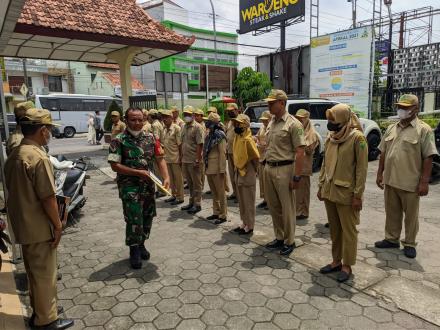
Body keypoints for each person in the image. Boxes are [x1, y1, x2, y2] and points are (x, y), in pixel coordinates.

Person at [5, 108, 74, 329]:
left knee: (35, 272)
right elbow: (48, 198)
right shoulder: (37, 157)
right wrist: (57, 225)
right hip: (38, 225)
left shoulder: (16, 153)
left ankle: (42, 312)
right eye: (50, 130)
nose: (50, 134)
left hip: (23, 225)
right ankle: (47, 320)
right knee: (45, 275)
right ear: (43, 131)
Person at [375, 94, 438, 259]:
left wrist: (424, 182)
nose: (401, 110)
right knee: (392, 212)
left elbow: (428, 157)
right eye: (400, 107)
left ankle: (409, 243)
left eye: (405, 107)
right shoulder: (391, 128)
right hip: (390, 180)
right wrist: (379, 173)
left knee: (411, 216)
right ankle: (391, 238)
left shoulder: (423, 129)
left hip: (410, 182)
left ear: (416, 109)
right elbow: (383, 153)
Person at [108, 108, 170, 269]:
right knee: (134, 218)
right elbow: (115, 166)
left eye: (140, 120)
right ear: (126, 120)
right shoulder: (118, 140)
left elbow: (160, 158)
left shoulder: (151, 137)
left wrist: (166, 177)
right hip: (129, 187)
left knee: (147, 216)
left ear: (144, 120)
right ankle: (133, 249)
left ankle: (142, 242)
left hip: (148, 186)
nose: (137, 123)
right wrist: (137, 173)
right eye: (133, 120)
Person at [317, 103, 368, 282]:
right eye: (329, 119)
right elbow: (324, 164)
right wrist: (320, 186)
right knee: (335, 230)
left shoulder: (357, 138)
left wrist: (357, 195)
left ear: (343, 119)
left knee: (349, 230)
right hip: (330, 190)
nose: (330, 123)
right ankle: (336, 261)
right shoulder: (331, 137)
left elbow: (362, 170)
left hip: (347, 193)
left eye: (333, 119)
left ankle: (347, 265)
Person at [263, 90, 305, 256]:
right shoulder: (272, 122)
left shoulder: (293, 124)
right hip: (269, 167)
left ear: (282, 103)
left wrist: (297, 176)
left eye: (271, 103)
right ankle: (279, 237)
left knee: (287, 207)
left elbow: (300, 151)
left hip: (285, 169)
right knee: (274, 206)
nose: (269, 105)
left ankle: (289, 240)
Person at [232, 114, 260, 235]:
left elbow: (255, 158)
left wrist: (254, 171)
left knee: (249, 201)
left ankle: (250, 225)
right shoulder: (238, 137)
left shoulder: (248, 140)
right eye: (236, 124)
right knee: (242, 201)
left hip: (248, 172)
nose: (236, 126)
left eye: (239, 124)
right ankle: (244, 222)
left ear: (245, 125)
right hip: (239, 172)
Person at [295, 109, 320, 220]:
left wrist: (301, 142)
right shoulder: (299, 131)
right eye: (298, 118)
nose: (299, 120)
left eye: (301, 118)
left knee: (303, 191)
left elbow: (310, 150)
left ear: (307, 119)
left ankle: (303, 212)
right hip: (296, 165)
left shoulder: (312, 133)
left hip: (305, 167)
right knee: (297, 192)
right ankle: (297, 210)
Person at [204, 112, 228, 225]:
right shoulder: (210, 134)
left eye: (208, 121)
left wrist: (222, 170)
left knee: (221, 192)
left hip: (218, 168)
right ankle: (216, 212)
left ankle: (223, 215)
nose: (206, 123)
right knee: (214, 192)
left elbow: (223, 153)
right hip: (209, 167)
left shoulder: (220, 135)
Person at [180, 107, 204, 215]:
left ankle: (197, 204)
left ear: (193, 115)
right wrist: (181, 157)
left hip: (194, 160)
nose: (186, 116)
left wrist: (198, 159)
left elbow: (200, 144)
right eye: (185, 114)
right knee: (190, 183)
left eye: (188, 114)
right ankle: (191, 202)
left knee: (196, 183)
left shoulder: (198, 127)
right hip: (186, 159)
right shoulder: (184, 127)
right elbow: (182, 143)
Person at [162, 109, 184, 205]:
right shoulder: (164, 129)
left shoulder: (176, 128)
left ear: (171, 118)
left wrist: (180, 158)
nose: (164, 119)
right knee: (171, 179)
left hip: (175, 158)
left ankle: (180, 197)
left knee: (178, 179)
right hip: (167, 158)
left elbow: (180, 145)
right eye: (163, 117)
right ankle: (174, 195)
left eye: (166, 117)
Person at [255, 111, 271, 210]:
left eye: (266, 120)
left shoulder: (272, 128)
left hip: (268, 157)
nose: (264, 122)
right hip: (261, 157)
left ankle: (270, 202)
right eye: (263, 120)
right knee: (262, 180)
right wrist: (256, 140)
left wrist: (262, 145)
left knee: (268, 182)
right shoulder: (262, 127)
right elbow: (257, 136)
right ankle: (265, 200)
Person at [225, 103, 240, 202]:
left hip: (237, 152)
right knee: (231, 174)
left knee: (238, 174)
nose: (230, 112)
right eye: (229, 111)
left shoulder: (240, 119)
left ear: (237, 110)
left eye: (232, 111)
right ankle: (235, 192)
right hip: (230, 151)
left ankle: (239, 195)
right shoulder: (230, 122)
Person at [194, 108, 207, 191]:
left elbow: (203, 140)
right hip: (196, 149)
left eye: (198, 116)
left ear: (202, 116)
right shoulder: (196, 125)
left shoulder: (203, 126)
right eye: (195, 115)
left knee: (201, 170)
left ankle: (201, 186)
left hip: (202, 149)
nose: (196, 117)